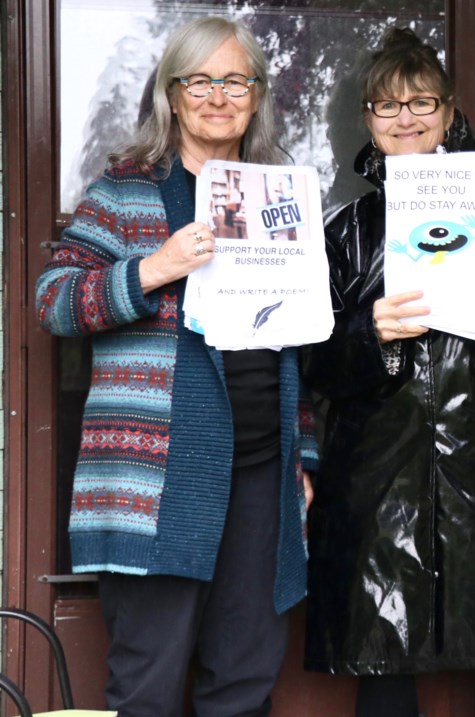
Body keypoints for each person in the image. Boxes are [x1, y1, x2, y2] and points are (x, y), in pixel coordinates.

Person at [35, 17, 317, 717]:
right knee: (148, 687)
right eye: (201, 80)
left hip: (259, 474)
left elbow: (299, 339)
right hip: (154, 478)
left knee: (244, 683)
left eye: (236, 81)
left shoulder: (277, 194)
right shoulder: (128, 191)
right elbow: (54, 301)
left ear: (256, 97)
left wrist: (303, 454)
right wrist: (156, 267)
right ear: (172, 93)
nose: (218, 96)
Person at [301, 27, 475, 717]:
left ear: (450, 112)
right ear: (369, 118)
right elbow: (307, 356)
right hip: (375, 475)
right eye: (389, 105)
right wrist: (370, 333)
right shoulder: (345, 231)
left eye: (422, 101)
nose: (406, 118)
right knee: (383, 660)